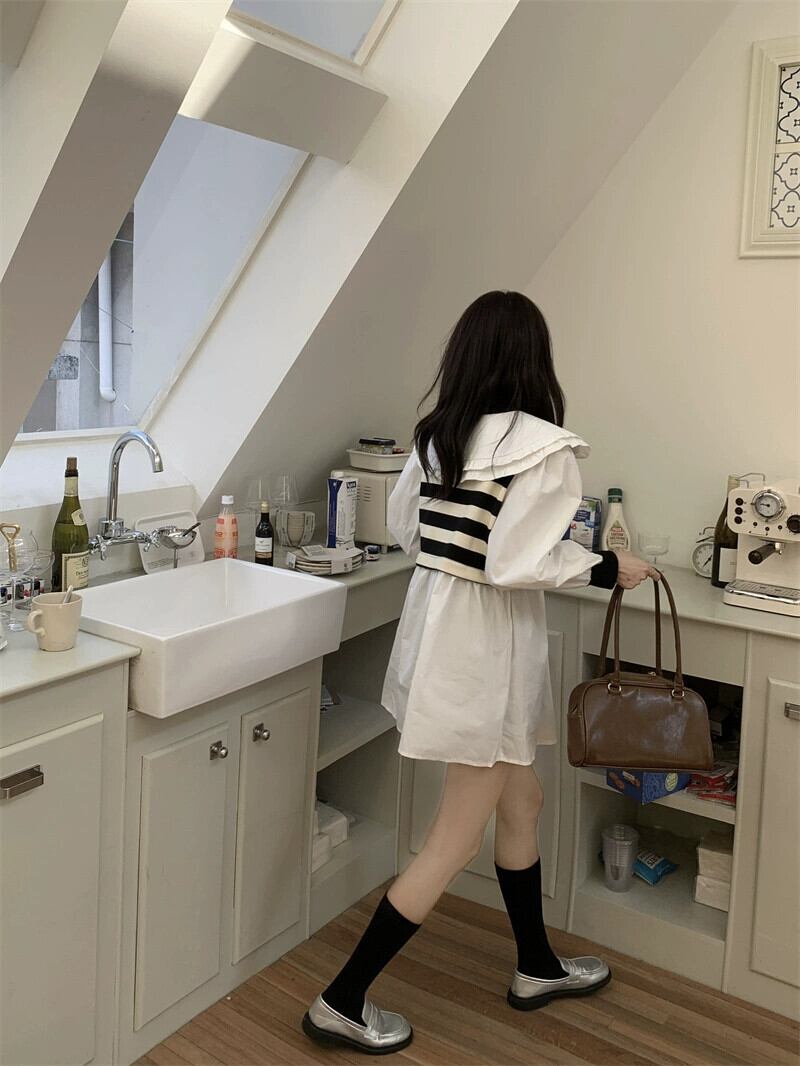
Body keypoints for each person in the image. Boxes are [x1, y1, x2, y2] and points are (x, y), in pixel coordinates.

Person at [303, 291, 658, 1054]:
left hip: (438, 632)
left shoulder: (438, 438)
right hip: (487, 652)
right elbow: (514, 561)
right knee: (453, 839)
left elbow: (407, 530)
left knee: (522, 800)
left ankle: (536, 966)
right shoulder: (544, 448)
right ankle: (341, 1000)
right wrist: (604, 566)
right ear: (534, 359)